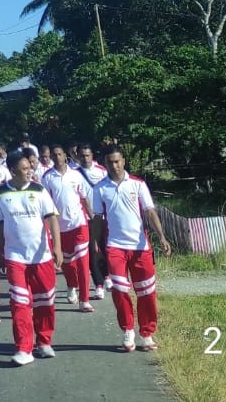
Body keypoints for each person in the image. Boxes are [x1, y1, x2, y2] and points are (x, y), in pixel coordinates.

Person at [90, 145, 172, 352]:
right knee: (120, 290)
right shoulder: (99, 189)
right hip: (115, 247)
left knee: (146, 292)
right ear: (105, 164)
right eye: (110, 162)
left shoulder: (138, 184)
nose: (114, 165)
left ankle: (147, 333)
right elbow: (97, 220)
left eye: (117, 161)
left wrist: (161, 237)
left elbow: (150, 212)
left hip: (140, 247)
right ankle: (127, 330)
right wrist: (97, 247)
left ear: (124, 161)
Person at [0, 148, 64, 366]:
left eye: (30, 167)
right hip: (15, 257)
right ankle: (24, 348)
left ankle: (44, 341)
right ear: (13, 170)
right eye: (24, 168)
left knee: (45, 300)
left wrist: (57, 248)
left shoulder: (39, 190)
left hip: (41, 256)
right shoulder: (0, 194)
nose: (29, 171)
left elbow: (51, 219)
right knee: (20, 302)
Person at [45, 146, 95, 312]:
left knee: (82, 263)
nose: (57, 157)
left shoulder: (76, 175)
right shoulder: (47, 178)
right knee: (67, 263)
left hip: (79, 224)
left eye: (60, 153)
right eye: (54, 155)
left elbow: (85, 198)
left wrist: (91, 218)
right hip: (60, 229)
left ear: (65, 156)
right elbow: (45, 206)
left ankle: (85, 300)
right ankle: (71, 285)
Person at [73, 143, 109, 300]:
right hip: (86, 218)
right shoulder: (74, 174)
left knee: (106, 247)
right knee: (92, 252)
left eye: (87, 155)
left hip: (102, 216)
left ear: (92, 155)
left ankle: (107, 275)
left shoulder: (101, 171)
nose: (85, 158)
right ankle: (98, 284)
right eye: (82, 156)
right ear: (77, 157)